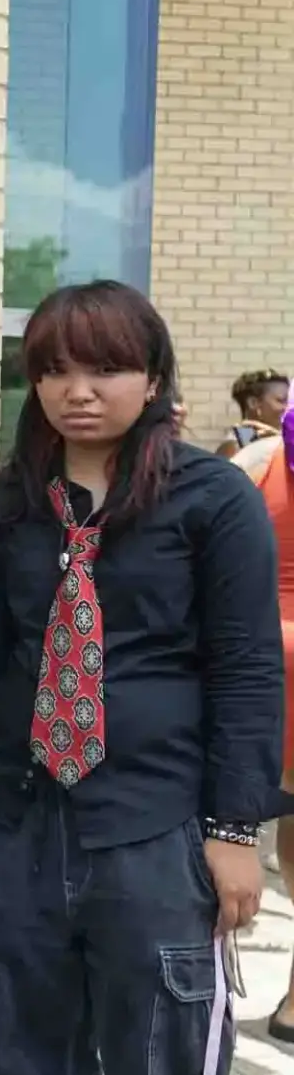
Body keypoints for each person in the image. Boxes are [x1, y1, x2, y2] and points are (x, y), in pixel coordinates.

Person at [0, 280, 283, 1075]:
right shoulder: (10, 502)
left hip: (153, 833)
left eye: (105, 368)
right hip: (16, 827)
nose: (76, 391)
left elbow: (245, 670)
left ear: (154, 375)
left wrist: (234, 830)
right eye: (52, 370)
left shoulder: (211, 499)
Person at [232, 416, 294, 1042]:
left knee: (234, 824)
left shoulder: (259, 460)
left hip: (250, 664)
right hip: (254, 670)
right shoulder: (259, 463)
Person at [218, 368, 289, 458]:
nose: (289, 407)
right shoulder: (235, 448)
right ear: (253, 403)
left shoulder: (282, 439)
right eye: (281, 401)